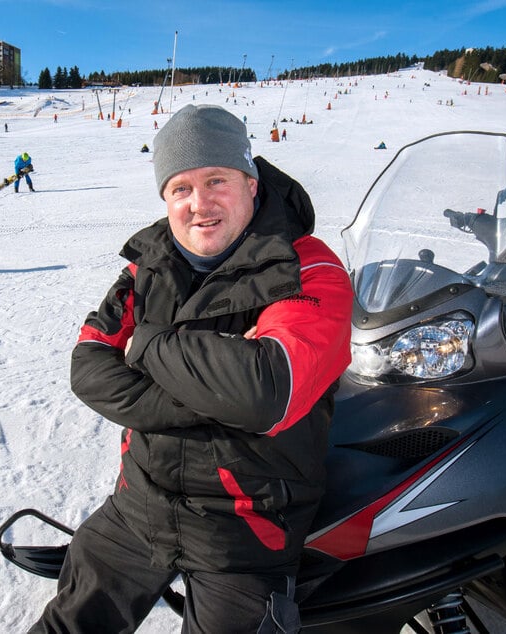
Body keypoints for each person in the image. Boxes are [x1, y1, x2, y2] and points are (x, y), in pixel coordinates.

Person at [29, 104, 353, 632]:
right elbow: (88, 366)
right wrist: (214, 388)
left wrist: (150, 344)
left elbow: (267, 392)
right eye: (180, 188)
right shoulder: (147, 264)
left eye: (216, 180)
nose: (199, 204)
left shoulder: (308, 268)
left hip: (245, 531)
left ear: (250, 182)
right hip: (138, 505)